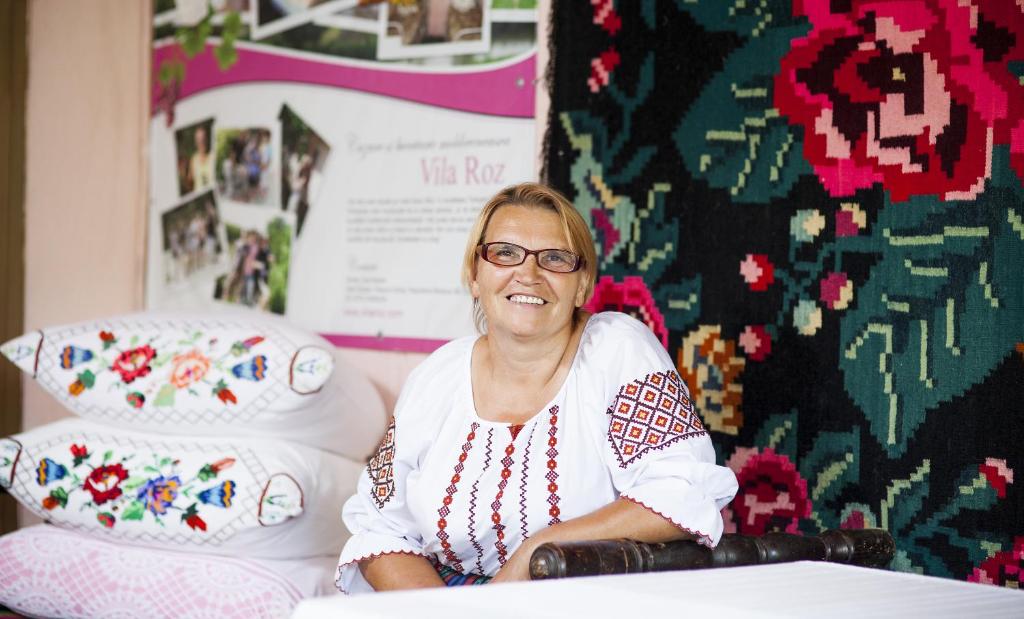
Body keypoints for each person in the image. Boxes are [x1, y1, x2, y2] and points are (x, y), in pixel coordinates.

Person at [336, 183, 738, 593]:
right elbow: (381, 530)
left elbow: (683, 491)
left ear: (582, 286)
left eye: (554, 259)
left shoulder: (616, 350)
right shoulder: (436, 377)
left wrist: (539, 548)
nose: (528, 274)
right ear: (475, 276)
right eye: (505, 253)